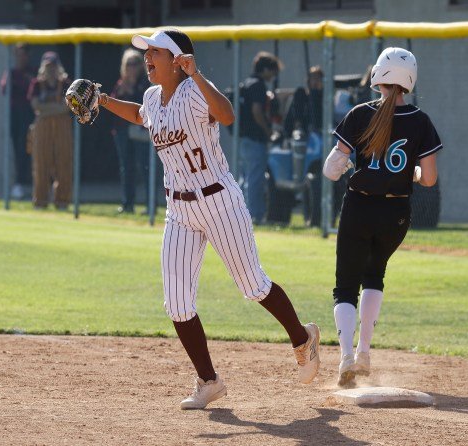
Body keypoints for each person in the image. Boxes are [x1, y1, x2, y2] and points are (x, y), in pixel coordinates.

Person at [96, 29, 320, 409]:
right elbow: (139, 114)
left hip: (219, 202)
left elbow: (227, 115)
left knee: (253, 285)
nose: (147, 58)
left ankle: (302, 338)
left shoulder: (194, 90)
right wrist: (103, 101)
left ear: (177, 60)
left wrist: (196, 74)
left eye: (155, 52)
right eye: (146, 52)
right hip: (179, 211)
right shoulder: (153, 97)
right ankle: (209, 380)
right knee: (178, 303)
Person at [323, 47, 442, 387]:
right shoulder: (420, 120)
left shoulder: (360, 113)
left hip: (359, 206)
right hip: (396, 212)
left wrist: (343, 165)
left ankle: (346, 356)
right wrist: (413, 174)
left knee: (345, 287)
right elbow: (429, 178)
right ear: (410, 81)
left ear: (378, 77)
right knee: (374, 275)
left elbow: (332, 169)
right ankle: (364, 352)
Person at [239, 52, 283, 224]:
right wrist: (267, 131)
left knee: (247, 178)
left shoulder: (247, 83)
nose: (273, 75)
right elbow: (257, 112)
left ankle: (243, 214)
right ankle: (254, 215)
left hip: (245, 138)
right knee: (255, 178)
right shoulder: (258, 85)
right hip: (255, 138)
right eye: (272, 71)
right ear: (265, 69)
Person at [27, 51, 73, 210]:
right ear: (43, 67)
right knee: (41, 163)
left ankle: (62, 201)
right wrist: (57, 108)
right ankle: (40, 200)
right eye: (48, 66)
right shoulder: (36, 84)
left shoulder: (66, 83)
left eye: (53, 66)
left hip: (62, 127)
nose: (51, 69)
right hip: (42, 128)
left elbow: (68, 107)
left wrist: (46, 109)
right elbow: (35, 105)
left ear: (58, 66)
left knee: (64, 162)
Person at [110, 49, 151, 213]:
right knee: (126, 167)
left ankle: (150, 206)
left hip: (140, 131)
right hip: (122, 131)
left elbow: (145, 105)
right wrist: (122, 93)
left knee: (145, 167)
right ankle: (128, 204)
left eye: (135, 63)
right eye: (129, 63)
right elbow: (113, 105)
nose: (132, 67)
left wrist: (132, 92)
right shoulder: (120, 84)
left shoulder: (145, 83)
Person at [0, 43, 35, 200]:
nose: (20, 59)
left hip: (30, 115)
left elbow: (32, 89)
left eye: (23, 55)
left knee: (29, 149)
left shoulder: (32, 73)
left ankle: (33, 183)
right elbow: (4, 89)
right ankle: (18, 184)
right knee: (17, 149)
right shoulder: (11, 72)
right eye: (18, 55)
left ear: (28, 56)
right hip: (15, 116)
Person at [284, 66, 323, 137]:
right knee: (300, 91)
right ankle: (298, 127)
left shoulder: (325, 98)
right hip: (304, 128)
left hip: (319, 129)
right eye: (313, 78)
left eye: (318, 78)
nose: (316, 81)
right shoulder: (302, 96)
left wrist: (318, 92)